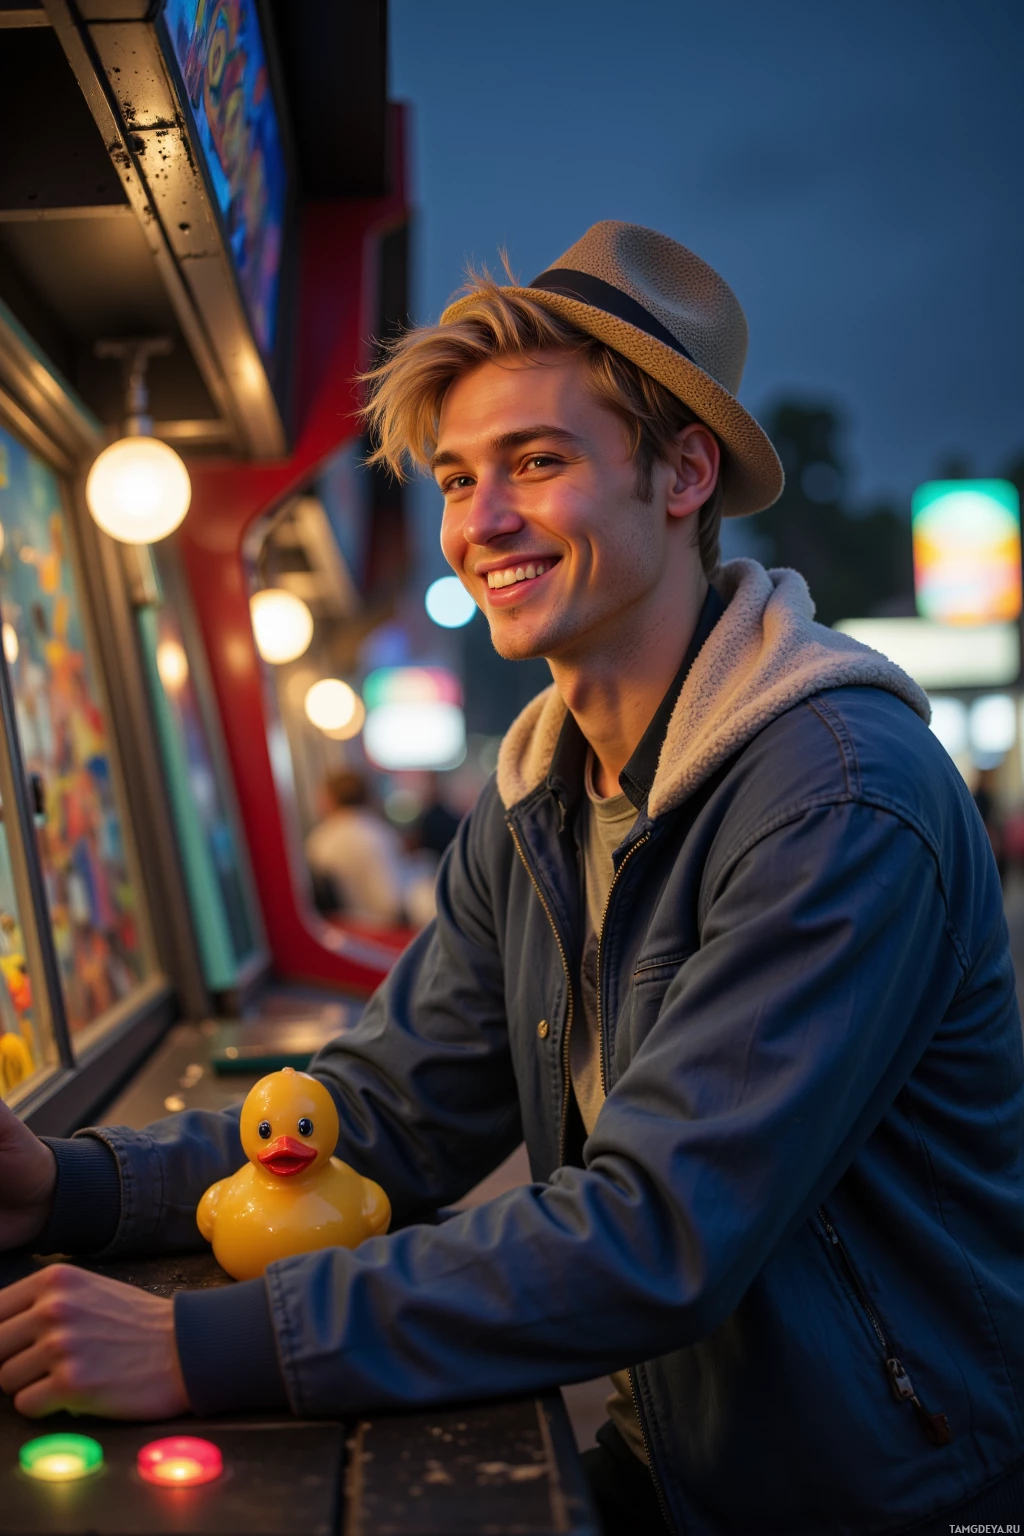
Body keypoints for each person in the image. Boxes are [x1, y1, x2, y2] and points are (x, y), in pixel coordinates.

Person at [1, 222, 1022, 1536]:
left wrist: (200, 1347)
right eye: (454, 476)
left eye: (538, 463)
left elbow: (659, 1232)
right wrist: (71, 1184)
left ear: (683, 473)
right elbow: (385, 1114)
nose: (480, 523)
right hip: (683, 1452)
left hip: (883, 1493)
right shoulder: (545, 783)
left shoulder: (835, 793)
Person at [305, 767, 435, 927]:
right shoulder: (375, 833)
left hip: (345, 927)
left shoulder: (319, 839)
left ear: (331, 799)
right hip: (380, 929)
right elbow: (390, 902)